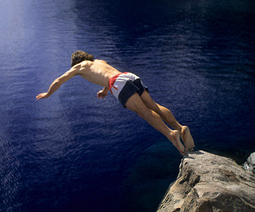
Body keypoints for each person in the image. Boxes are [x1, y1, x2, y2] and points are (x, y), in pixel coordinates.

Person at [36, 51, 194, 155]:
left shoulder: (79, 66)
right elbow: (108, 75)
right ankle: (180, 127)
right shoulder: (99, 61)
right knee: (154, 105)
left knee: (144, 113)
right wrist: (105, 91)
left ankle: (171, 134)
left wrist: (48, 94)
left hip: (118, 83)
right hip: (128, 76)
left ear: (77, 61)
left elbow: (59, 81)